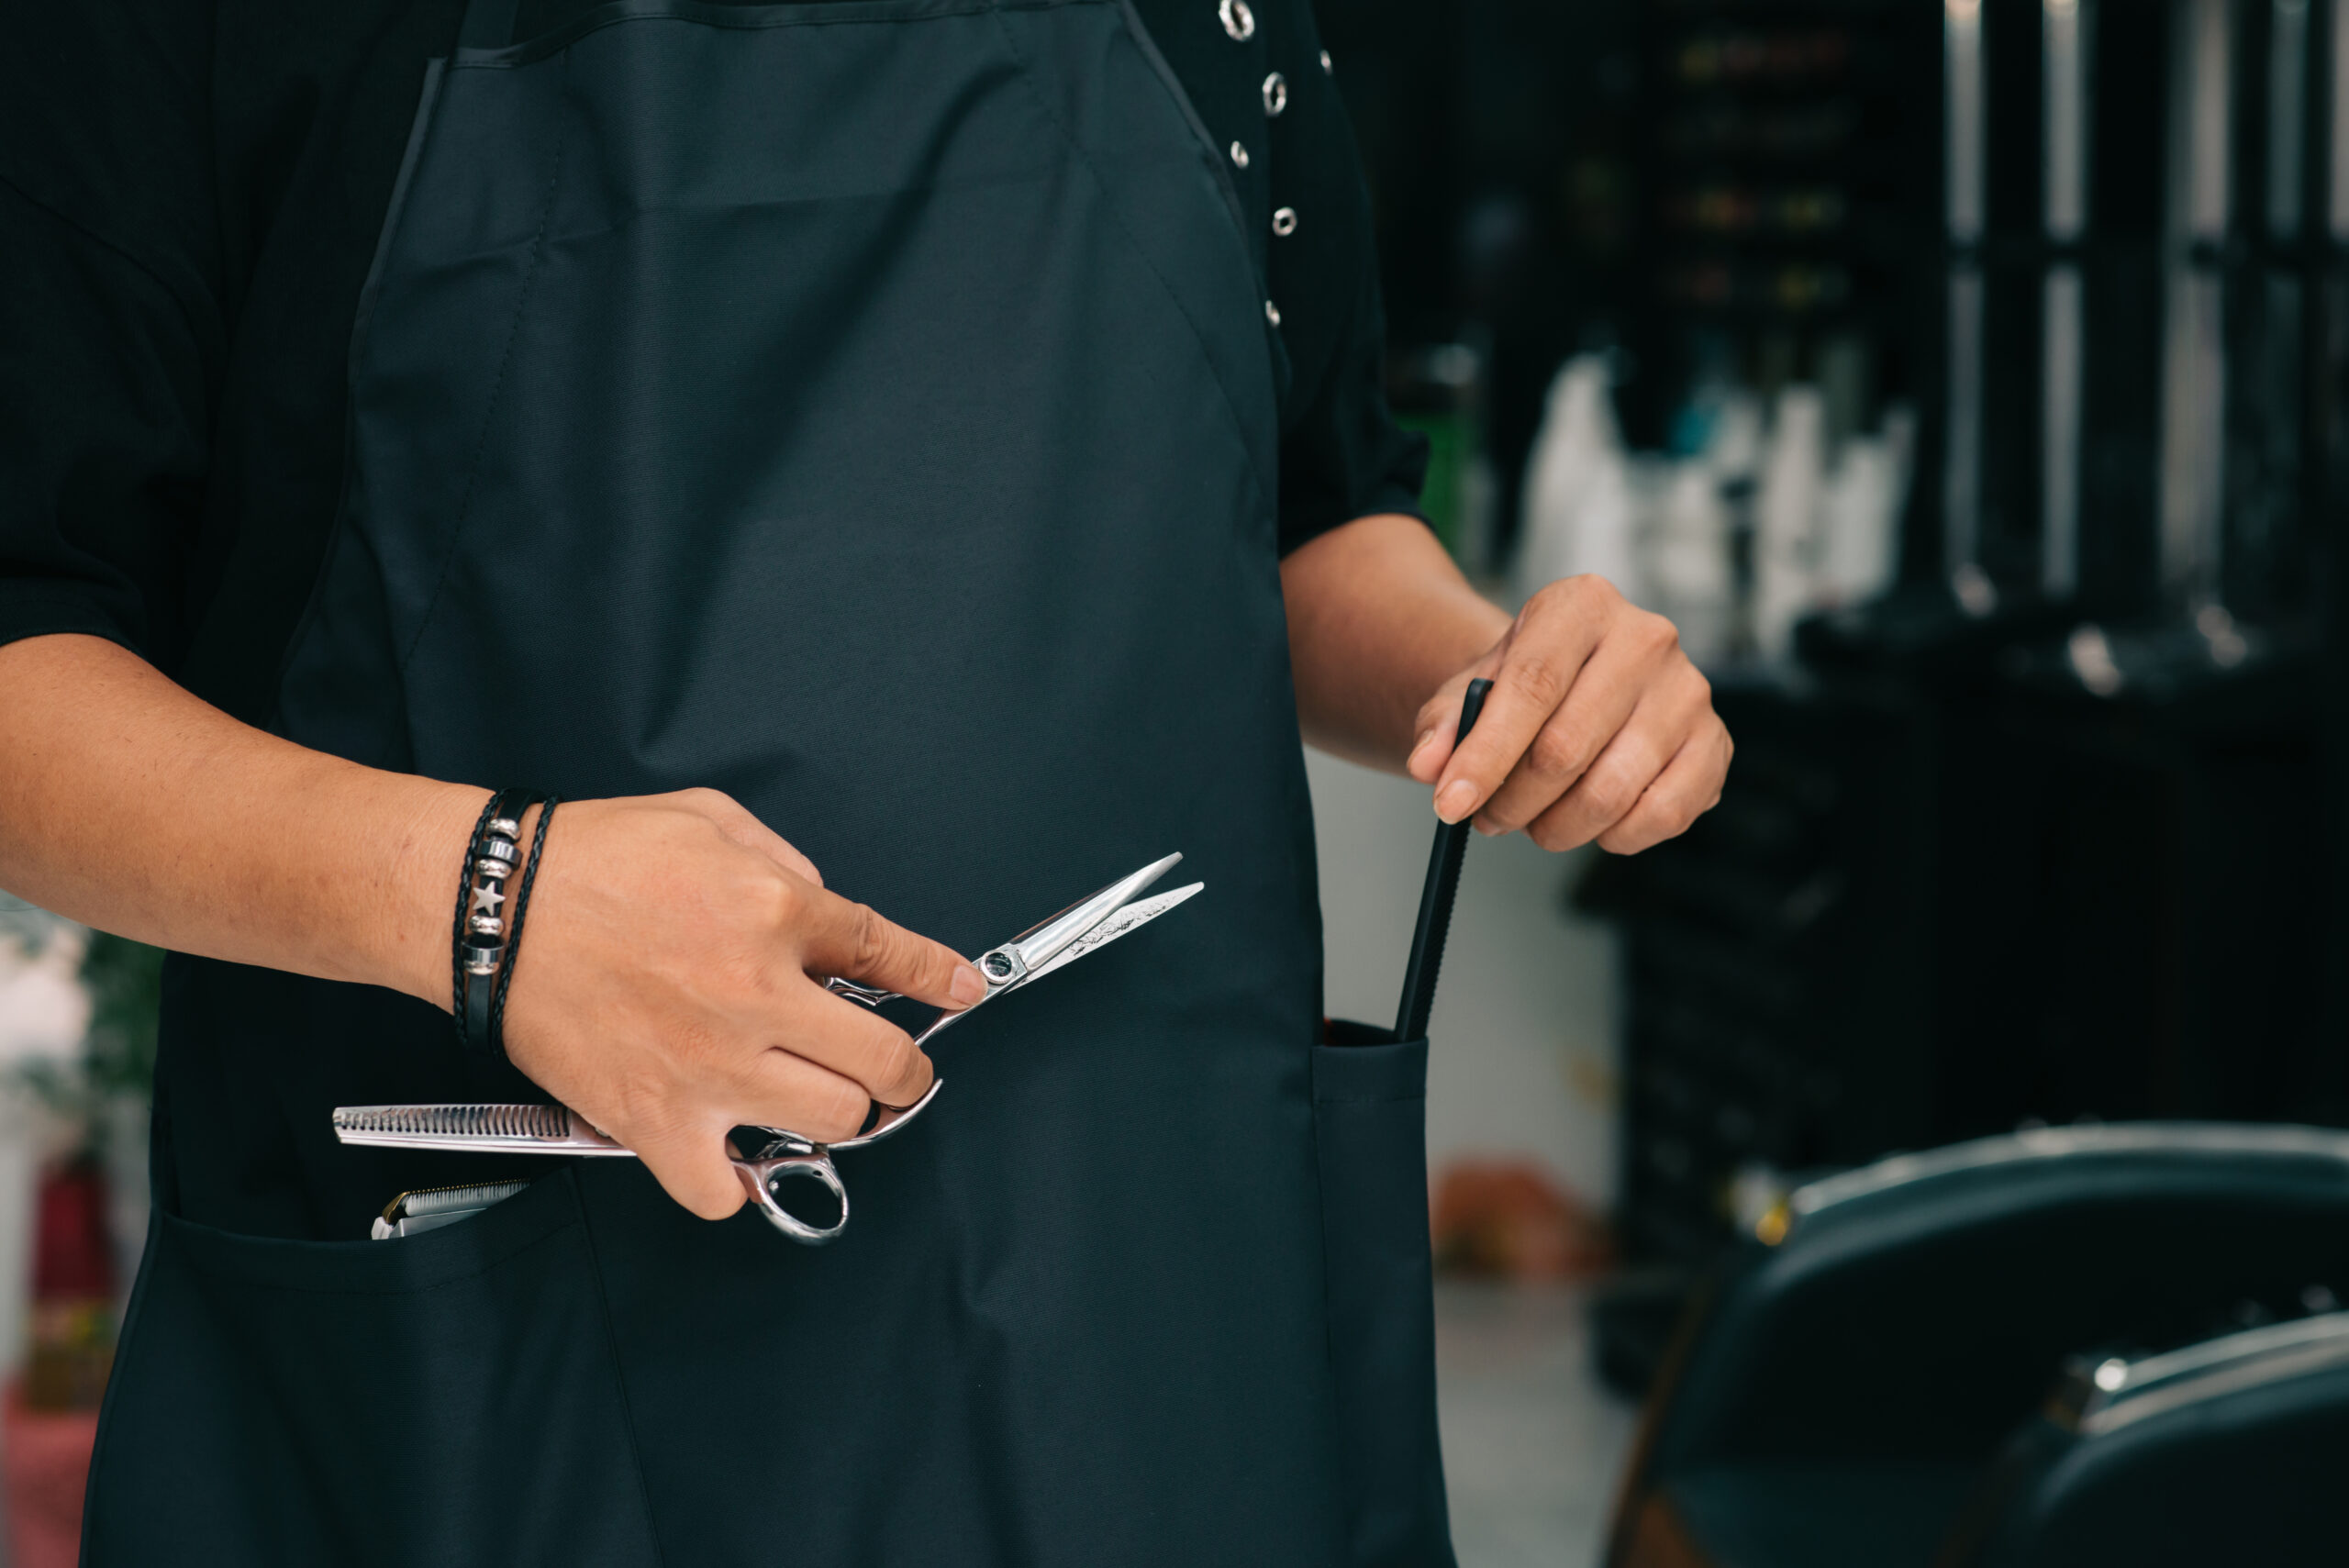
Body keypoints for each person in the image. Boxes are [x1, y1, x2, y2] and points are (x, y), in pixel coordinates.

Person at [0, 0, 1731, 1561]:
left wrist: (1501, 682)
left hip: (1151, 1339)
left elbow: (1300, 508)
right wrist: (489, 898)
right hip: (512, 1400)